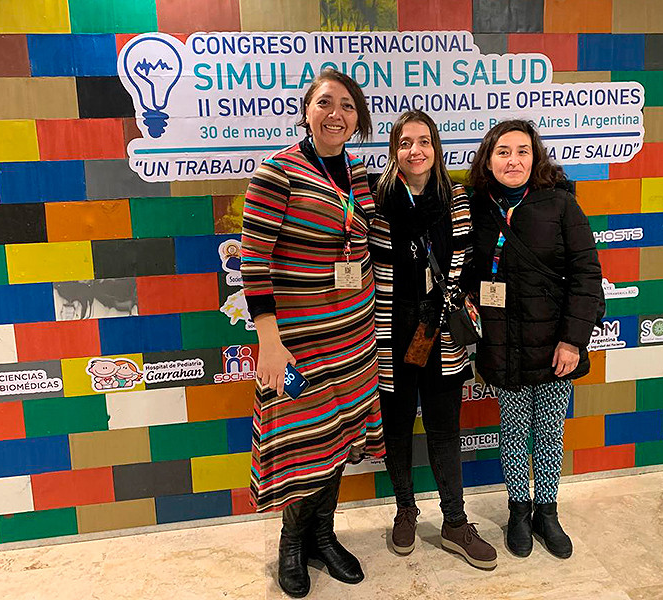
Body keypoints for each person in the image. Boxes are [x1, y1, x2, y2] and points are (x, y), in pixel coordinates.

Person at [240, 69, 385, 598]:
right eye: (326, 103)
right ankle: (293, 545)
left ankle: (324, 536)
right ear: (306, 110)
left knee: (336, 438)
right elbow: (252, 261)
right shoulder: (278, 172)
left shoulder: (360, 174)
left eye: (348, 105)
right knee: (302, 443)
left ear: (358, 118)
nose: (337, 114)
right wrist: (269, 341)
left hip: (354, 339)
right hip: (297, 342)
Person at [466, 120, 603, 560]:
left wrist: (572, 339)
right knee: (513, 431)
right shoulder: (474, 207)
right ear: (488, 159)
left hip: (553, 346)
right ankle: (518, 511)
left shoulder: (561, 204)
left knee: (547, 433)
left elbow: (586, 275)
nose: (513, 160)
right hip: (502, 344)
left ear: (535, 157)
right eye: (503, 151)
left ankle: (547, 512)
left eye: (523, 151)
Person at [369, 110, 498, 569]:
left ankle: (455, 522)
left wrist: (444, 308)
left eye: (424, 141)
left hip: (441, 332)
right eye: (405, 143)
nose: (415, 150)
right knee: (398, 430)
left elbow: (467, 267)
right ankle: (405, 509)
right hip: (390, 333)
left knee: (445, 432)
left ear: (436, 148)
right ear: (394, 151)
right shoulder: (376, 202)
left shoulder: (458, 198)